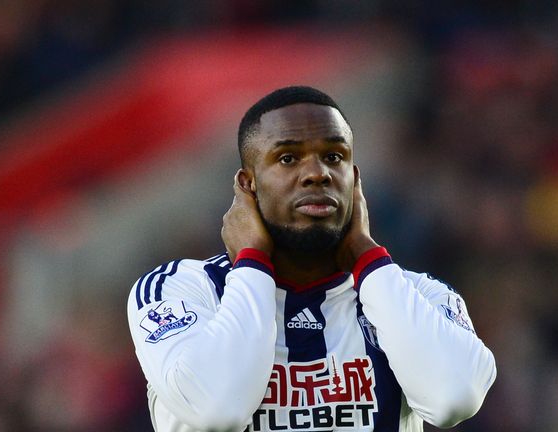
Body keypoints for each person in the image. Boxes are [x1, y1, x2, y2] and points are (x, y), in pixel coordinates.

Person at [127, 86, 496, 431]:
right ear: (247, 185)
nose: (317, 174)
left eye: (333, 157)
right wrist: (252, 261)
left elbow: (454, 400)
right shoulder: (180, 290)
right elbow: (218, 409)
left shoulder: (418, 293)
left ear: (353, 179)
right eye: (288, 158)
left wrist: (366, 254)